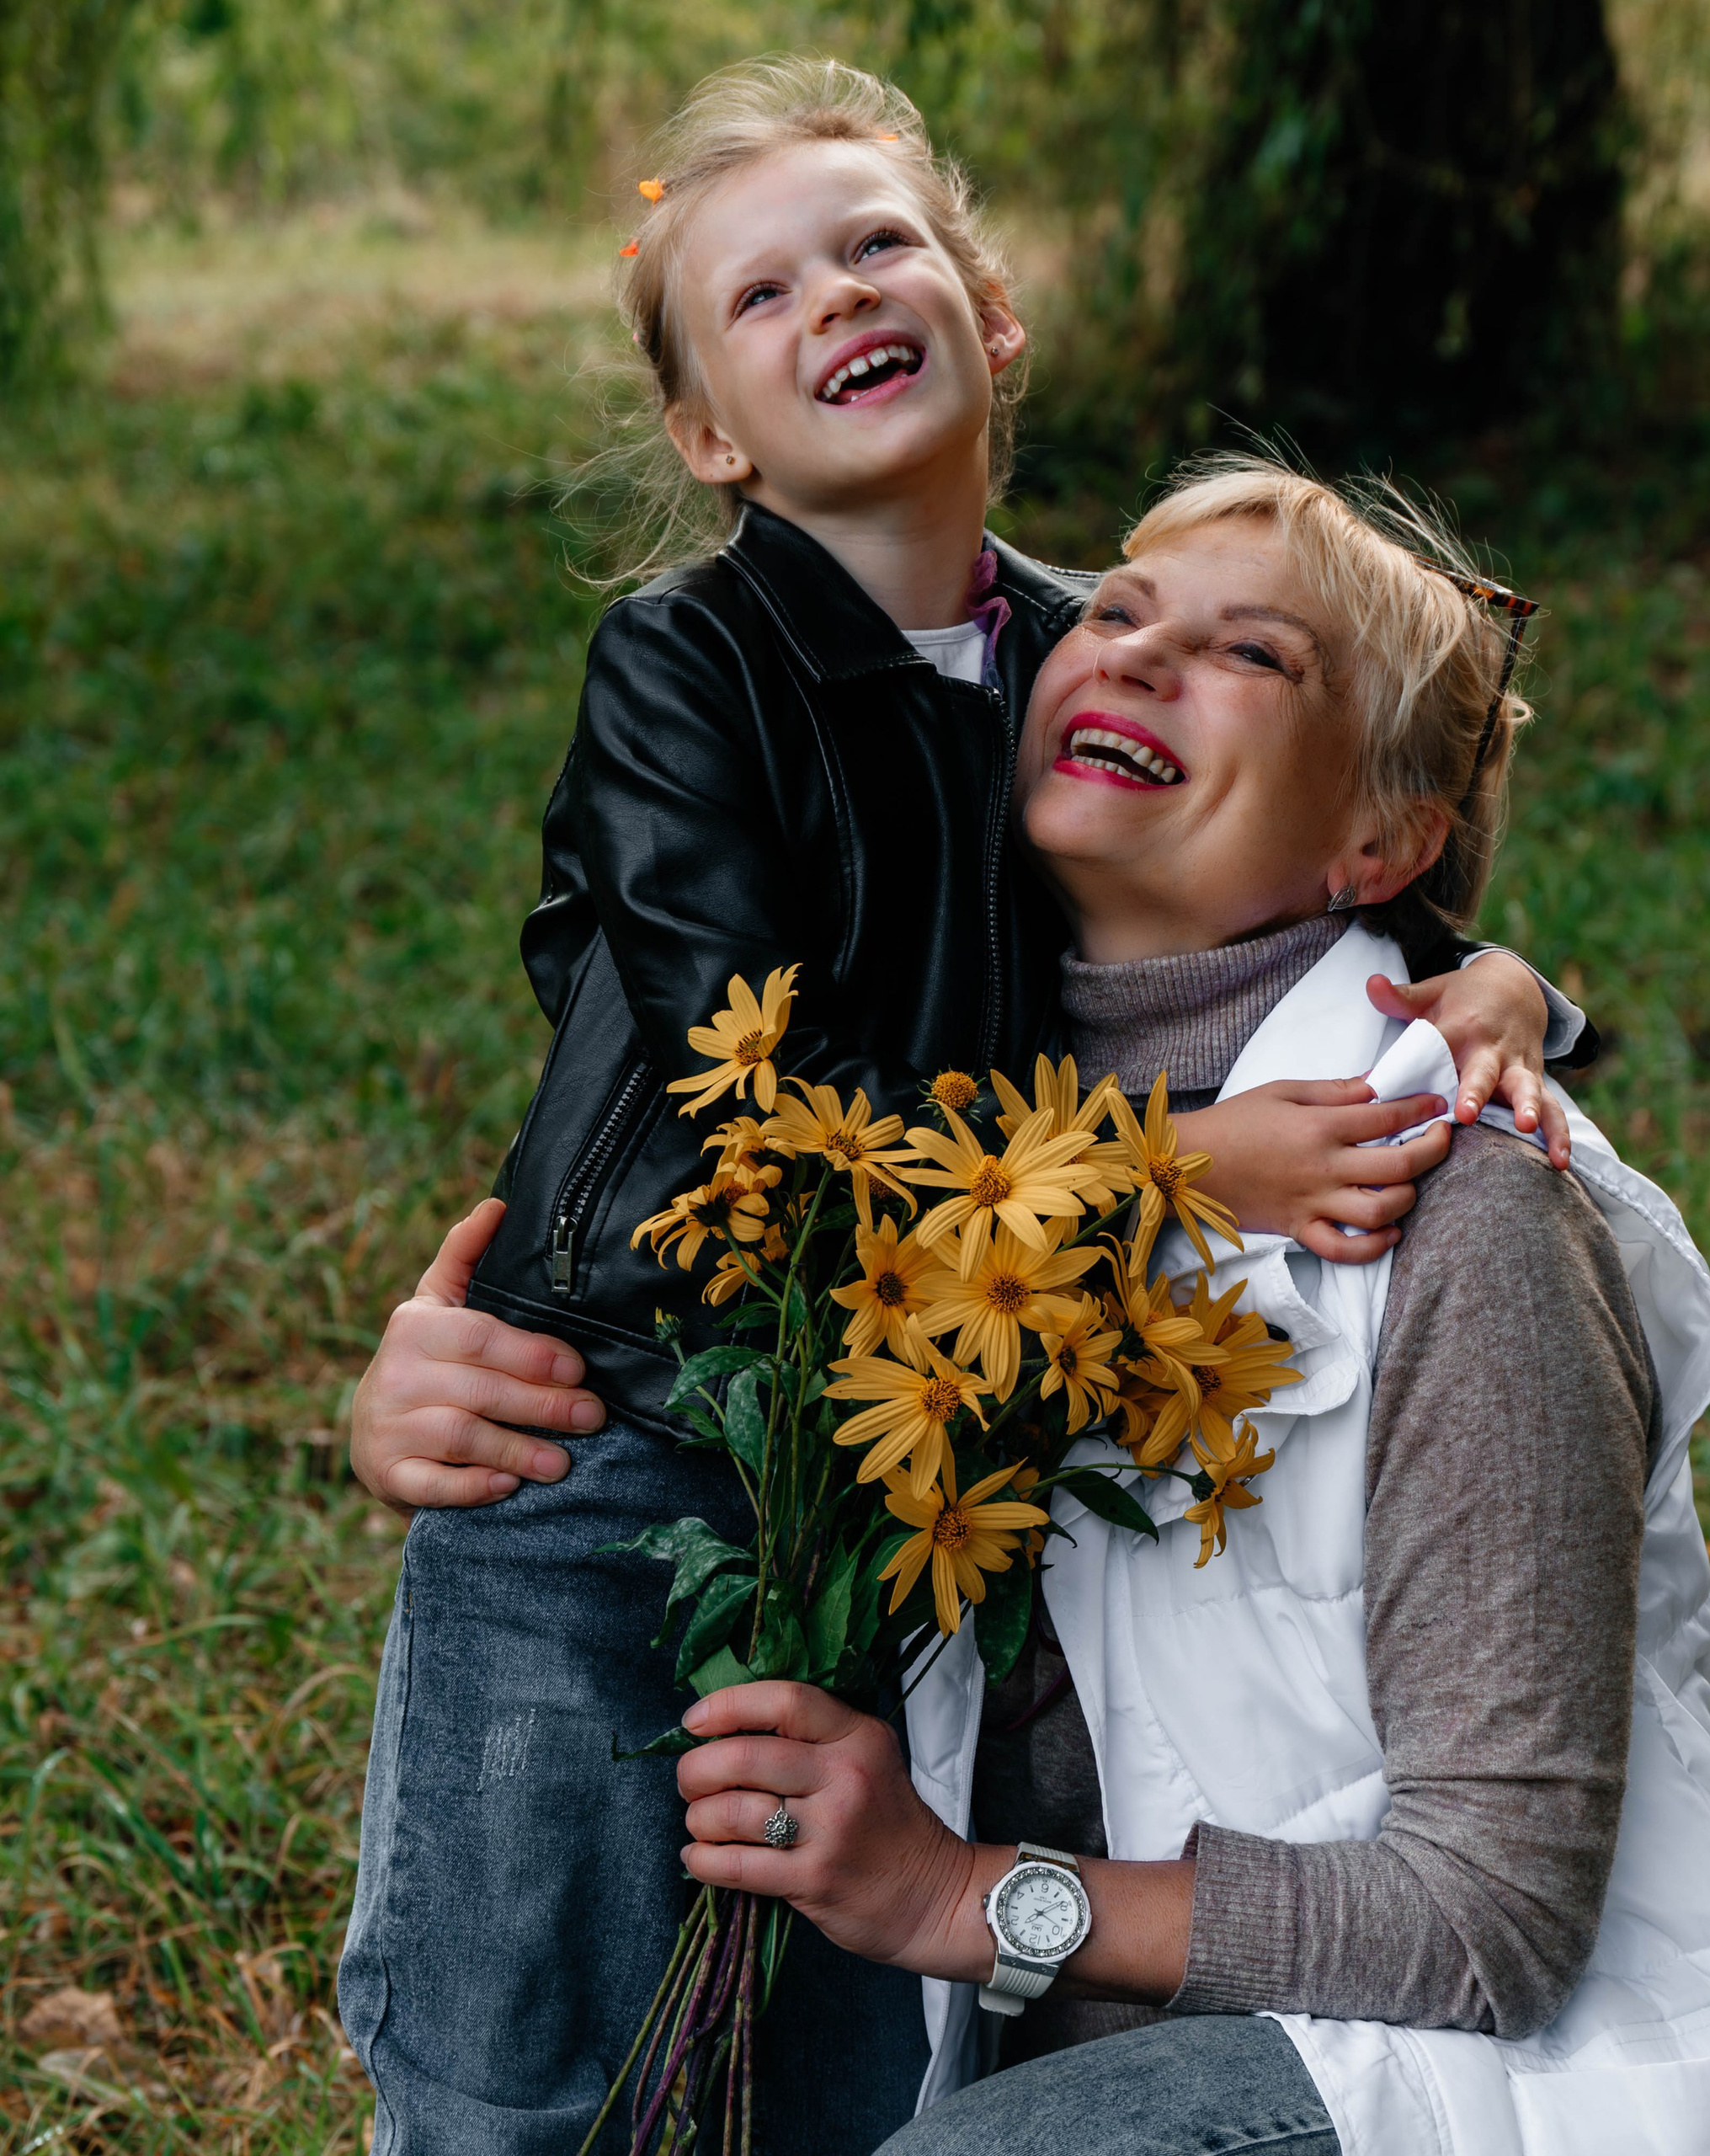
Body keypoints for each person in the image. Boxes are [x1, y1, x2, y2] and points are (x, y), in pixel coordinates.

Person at [335, 60, 1589, 2156]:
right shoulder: (687, 671)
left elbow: (1340, 846)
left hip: (896, 1453)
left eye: (876, 244)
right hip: (626, 1415)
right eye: (760, 295)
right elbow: (761, 1096)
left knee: (825, 2034)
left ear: (989, 318)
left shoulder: (1085, 655)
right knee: (518, 2036)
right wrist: (1169, 1167)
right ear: (709, 435)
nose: (834, 294)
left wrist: (1508, 983)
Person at [669, 458, 1710, 2156]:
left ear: (1381, 841)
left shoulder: (1465, 1206)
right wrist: (453, 1379)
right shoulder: (956, 1142)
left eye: (1251, 654)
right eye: (1115, 611)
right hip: (1047, 2051)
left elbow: (1492, 1919)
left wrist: (960, 1895)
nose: (1135, 653)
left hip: (1474, 2081)